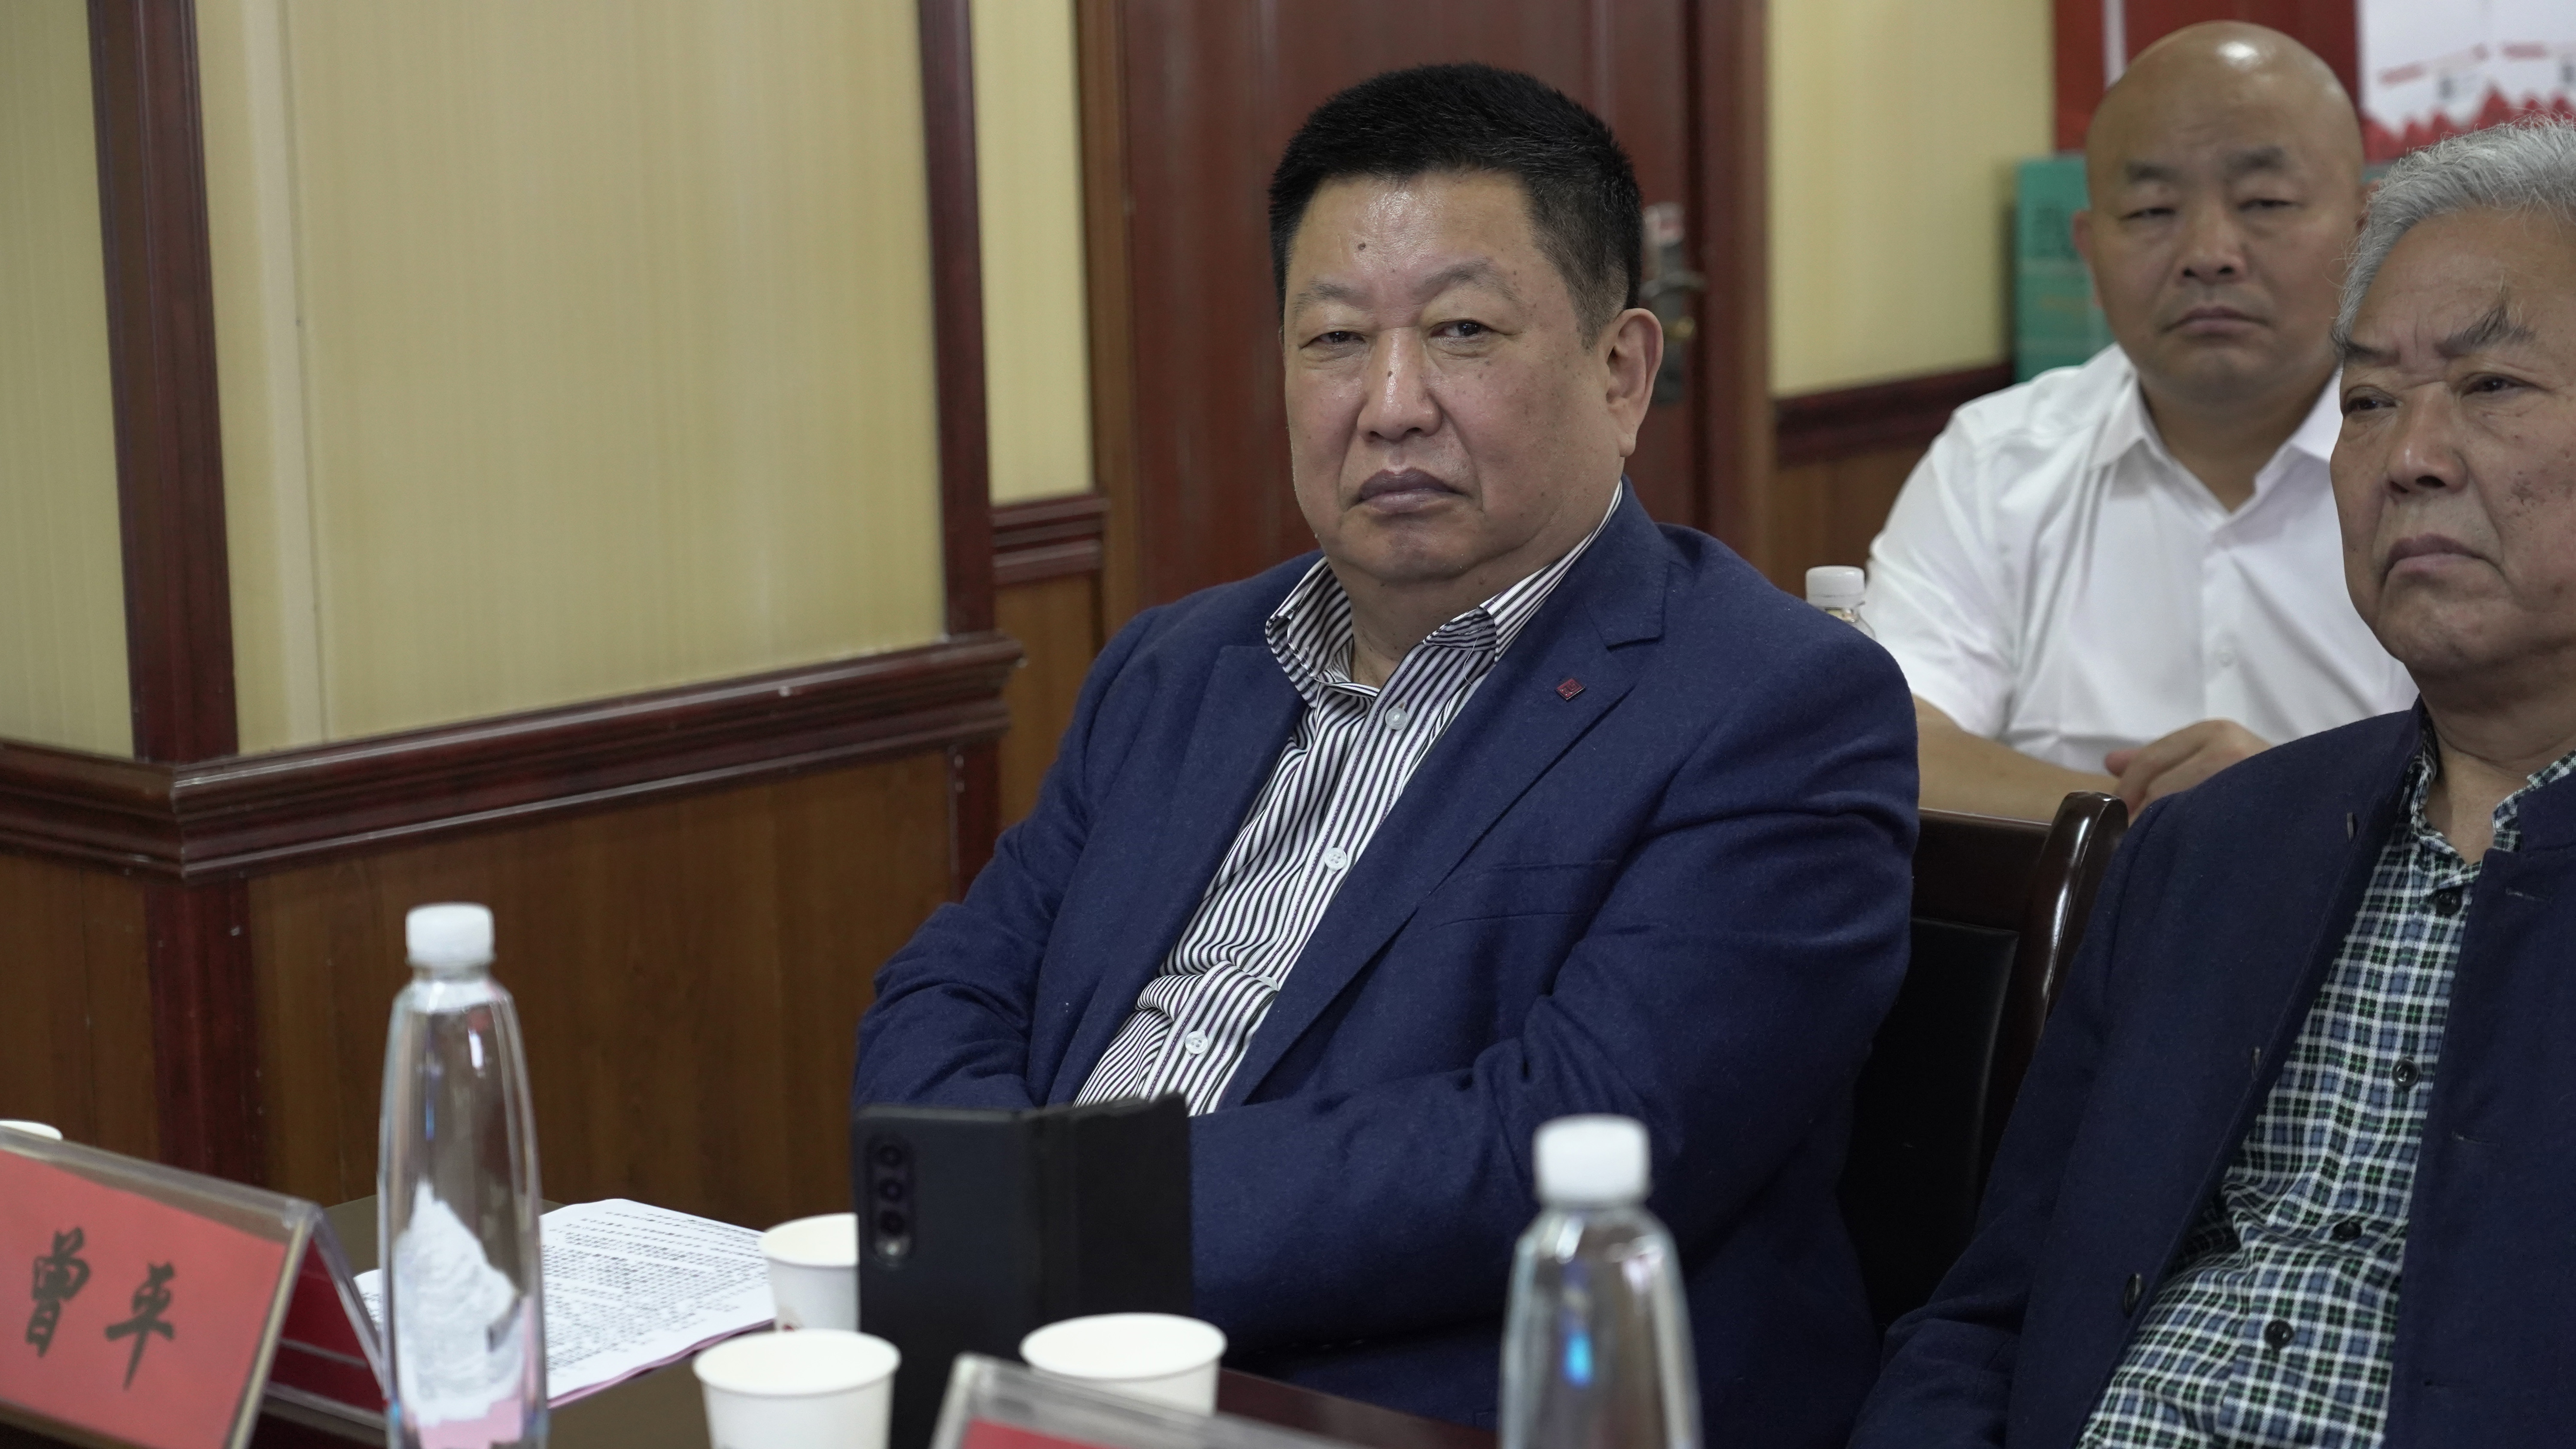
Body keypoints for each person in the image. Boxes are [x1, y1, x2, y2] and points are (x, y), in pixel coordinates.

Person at [853, 64, 1915, 1441]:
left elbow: (1564, 1140)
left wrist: (1053, 1223)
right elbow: (950, 988)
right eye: (1336, 339)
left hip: (1411, 1404)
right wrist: (988, 1234)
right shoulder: (1176, 667)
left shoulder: (1773, 705)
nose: (1392, 402)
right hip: (1026, 1370)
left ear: (1621, 372)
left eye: (1463, 331)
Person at [1852, 116, 2576, 1446]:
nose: (2409, 455)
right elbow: (1987, 1321)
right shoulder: (2216, 849)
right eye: (2368, 401)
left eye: (2490, 386)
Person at [1867, 23, 2415, 822]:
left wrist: (2283, 816)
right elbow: (1891, 739)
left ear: (2368, 233)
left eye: (2264, 203)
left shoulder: (2447, 466)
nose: (2209, 252)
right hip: (2078, 901)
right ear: (2091, 252)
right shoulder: (1993, 462)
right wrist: (2162, 825)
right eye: (2153, 209)